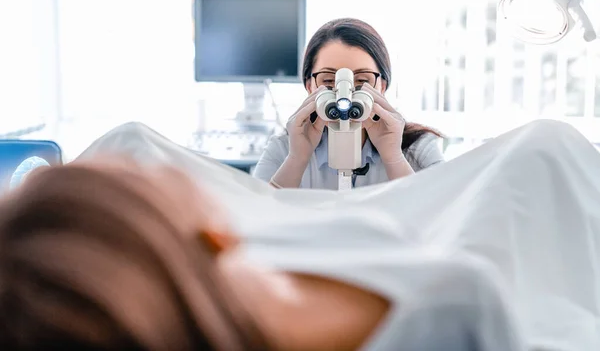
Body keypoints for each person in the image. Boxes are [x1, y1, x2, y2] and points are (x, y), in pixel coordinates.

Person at [2, 117, 600, 350]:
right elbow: (265, 198)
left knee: (130, 138)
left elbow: (439, 190)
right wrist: (299, 149)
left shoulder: (414, 145)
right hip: (361, 236)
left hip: (361, 220)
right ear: (208, 235)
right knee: (543, 149)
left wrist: (393, 151)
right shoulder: (451, 302)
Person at [252, 18, 445, 190]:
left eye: (362, 81)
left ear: (382, 86)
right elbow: (252, 219)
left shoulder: (419, 149)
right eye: (328, 81)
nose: (345, 94)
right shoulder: (283, 149)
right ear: (310, 86)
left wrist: (393, 157)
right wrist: (297, 159)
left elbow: (443, 219)